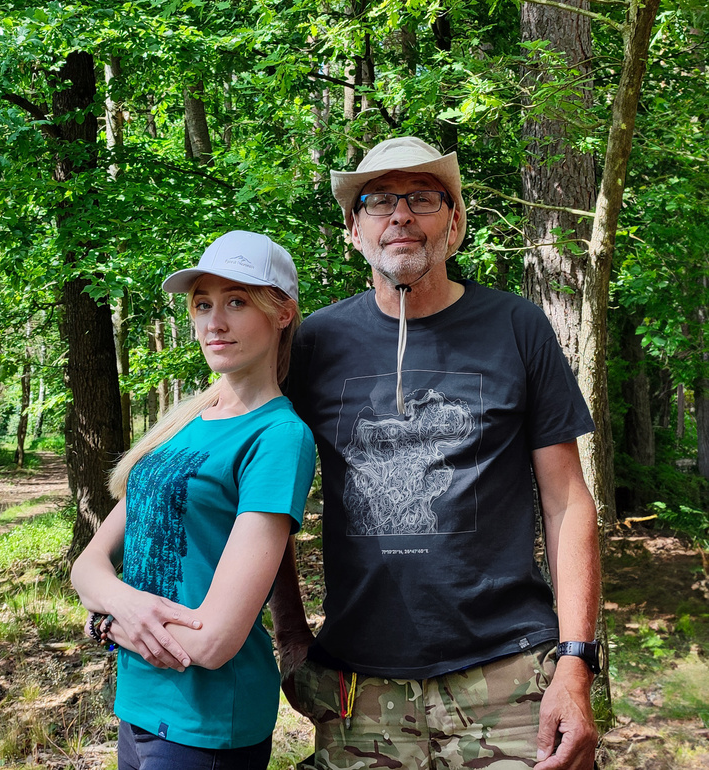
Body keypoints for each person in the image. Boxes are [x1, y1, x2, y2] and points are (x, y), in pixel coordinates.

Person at [268, 137, 602, 770]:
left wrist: (575, 661)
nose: (400, 215)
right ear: (353, 228)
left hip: (510, 674)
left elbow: (566, 502)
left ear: (456, 221)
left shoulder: (517, 327)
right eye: (378, 201)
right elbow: (267, 497)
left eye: (422, 197)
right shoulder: (312, 345)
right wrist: (291, 637)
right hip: (359, 687)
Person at [71, 230, 316, 770]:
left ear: (281, 313)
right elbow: (87, 567)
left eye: (236, 301)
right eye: (203, 304)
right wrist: (120, 610)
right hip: (139, 703)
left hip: (207, 722)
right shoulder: (182, 424)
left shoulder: (278, 436)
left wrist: (108, 619)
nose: (214, 322)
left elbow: (213, 641)